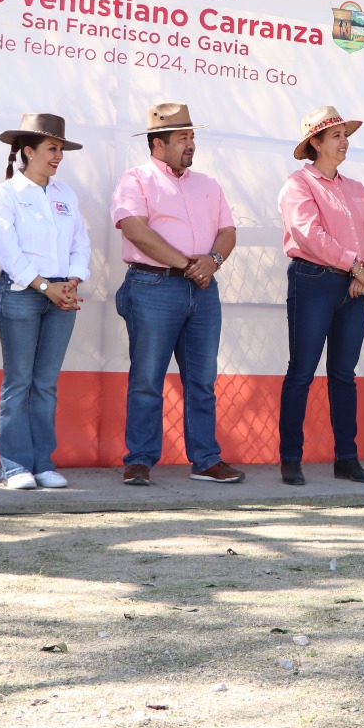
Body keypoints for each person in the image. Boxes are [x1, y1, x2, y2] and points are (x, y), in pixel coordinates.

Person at [112, 102, 243, 486]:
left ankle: (205, 459)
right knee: (147, 378)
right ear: (158, 144)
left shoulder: (209, 185)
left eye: (192, 137)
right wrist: (189, 264)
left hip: (202, 289)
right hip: (153, 286)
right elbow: (135, 230)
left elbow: (228, 231)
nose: (191, 144)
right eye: (182, 138)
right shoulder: (134, 180)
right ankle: (139, 460)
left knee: (201, 380)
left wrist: (213, 260)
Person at [278, 105, 364, 485]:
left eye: (345, 135)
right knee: (302, 372)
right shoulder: (298, 184)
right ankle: (291, 458)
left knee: (344, 374)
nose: (344, 141)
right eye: (336, 135)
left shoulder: (355, 188)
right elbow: (309, 234)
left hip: (353, 286)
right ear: (316, 143)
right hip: (312, 281)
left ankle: (347, 458)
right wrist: (356, 266)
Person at [0, 113, 91, 491]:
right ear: (28, 152)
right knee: (19, 383)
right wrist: (45, 285)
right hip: (21, 296)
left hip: (61, 296)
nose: (58, 156)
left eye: (61, 149)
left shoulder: (66, 195)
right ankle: (15, 466)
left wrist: (73, 279)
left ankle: (43, 463)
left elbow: (81, 243)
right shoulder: (6, 194)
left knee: (46, 384)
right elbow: (8, 250)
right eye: (52, 148)